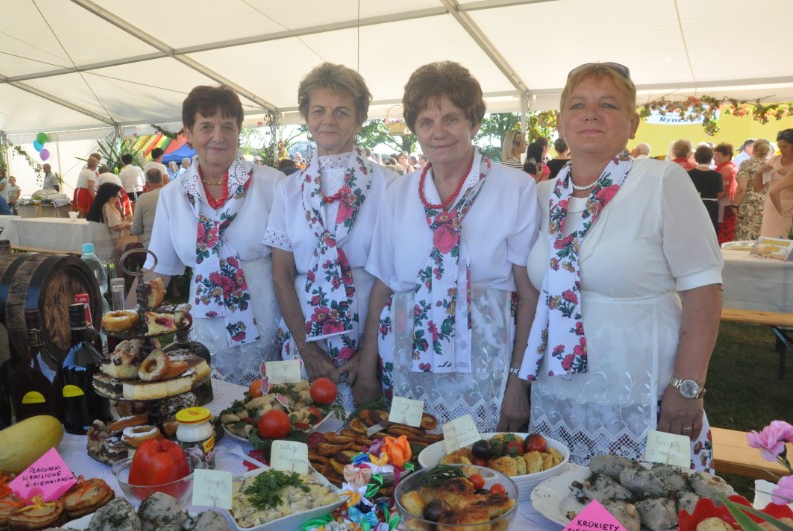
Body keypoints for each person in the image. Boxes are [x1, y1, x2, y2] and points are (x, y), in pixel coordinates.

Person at [518, 62, 723, 469]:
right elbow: (533, 294)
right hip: (556, 396)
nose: (591, 114)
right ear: (561, 121)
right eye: (578, 105)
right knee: (558, 508)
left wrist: (686, 388)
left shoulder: (661, 181)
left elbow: (703, 290)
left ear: (632, 123)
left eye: (607, 104)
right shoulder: (542, 195)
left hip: (639, 396)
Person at [362, 61, 539, 432]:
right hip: (409, 360)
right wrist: (366, 369)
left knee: (480, 477)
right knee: (412, 460)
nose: (438, 132)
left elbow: (529, 294)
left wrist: (519, 384)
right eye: (426, 122)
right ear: (415, 130)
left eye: (451, 119)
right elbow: (383, 285)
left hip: (487, 367)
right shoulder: (398, 193)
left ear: (474, 123)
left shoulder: (516, 188)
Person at [263, 63, 396, 410]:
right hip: (304, 332)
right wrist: (308, 350)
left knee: (371, 446)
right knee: (305, 436)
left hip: (370, 333)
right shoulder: (287, 189)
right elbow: (281, 274)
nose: (328, 120)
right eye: (318, 110)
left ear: (359, 119)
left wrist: (368, 356)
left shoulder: (388, 185)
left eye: (341, 111)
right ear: (307, 117)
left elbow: (389, 274)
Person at [143, 85, 283, 385]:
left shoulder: (271, 184)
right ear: (189, 133)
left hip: (267, 331)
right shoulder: (172, 196)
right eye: (206, 126)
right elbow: (158, 272)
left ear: (238, 132)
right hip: (203, 337)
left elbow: (290, 266)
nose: (218, 137)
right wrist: (127, 321)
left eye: (228, 126)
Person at [734, 139, 771, 241]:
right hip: (767, 205)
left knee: (745, 238)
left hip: (749, 205)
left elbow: (742, 187)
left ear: (754, 149)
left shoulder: (746, 164)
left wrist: (735, 205)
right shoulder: (772, 165)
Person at [760, 129, 793, 238]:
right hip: (772, 206)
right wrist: (759, 173)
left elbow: (774, 191)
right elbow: (759, 187)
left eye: (785, 147)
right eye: (779, 146)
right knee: (769, 239)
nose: (781, 150)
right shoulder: (774, 160)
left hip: (788, 208)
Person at [687, 145, 723, 233]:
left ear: (696, 158)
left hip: (694, 205)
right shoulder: (717, 175)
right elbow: (720, 194)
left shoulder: (689, 174)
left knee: (694, 229)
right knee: (711, 230)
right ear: (711, 159)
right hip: (711, 206)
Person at [131, 168, 164, 247]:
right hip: (176, 247)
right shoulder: (175, 194)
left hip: (151, 247)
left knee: (121, 248)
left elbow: (136, 230)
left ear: (147, 184)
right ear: (162, 180)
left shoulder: (143, 198)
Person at [714, 143, 737, 244]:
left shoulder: (725, 169)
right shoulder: (730, 167)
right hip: (728, 204)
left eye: (718, 155)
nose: (714, 158)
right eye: (714, 155)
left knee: (724, 230)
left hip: (724, 204)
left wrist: (714, 199)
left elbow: (723, 190)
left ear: (727, 156)